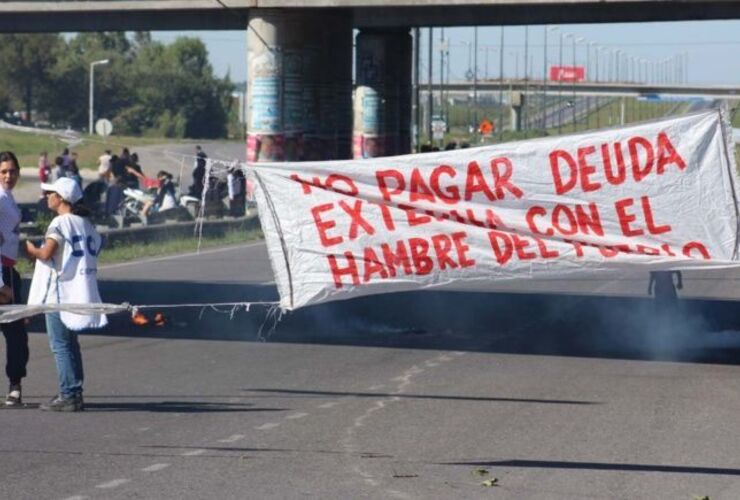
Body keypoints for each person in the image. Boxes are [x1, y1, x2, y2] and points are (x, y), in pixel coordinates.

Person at [25, 177, 107, 412]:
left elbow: (47, 252)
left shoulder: (60, 223)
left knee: (60, 345)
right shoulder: (86, 224)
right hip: (80, 290)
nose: (46, 196)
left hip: (59, 293)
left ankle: (68, 394)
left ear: (60, 197)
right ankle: (75, 391)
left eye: (50, 193)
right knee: (71, 344)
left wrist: (31, 250)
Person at [0, 151, 29, 407]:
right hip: (2, 271)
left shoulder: (8, 198)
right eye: (4, 172)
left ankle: (15, 385)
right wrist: (1, 283)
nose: (9, 176)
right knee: (15, 330)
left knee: (15, 331)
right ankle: (15, 385)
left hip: (9, 268)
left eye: (12, 171)